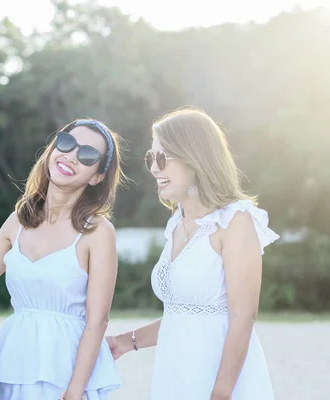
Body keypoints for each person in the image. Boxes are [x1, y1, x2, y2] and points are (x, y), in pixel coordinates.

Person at [106, 107, 279, 400]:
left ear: (194, 158)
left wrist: (221, 392)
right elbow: (184, 316)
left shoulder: (235, 221)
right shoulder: (176, 223)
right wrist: (127, 341)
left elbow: (243, 317)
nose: (153, 168)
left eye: (161, 158)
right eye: (151, 158)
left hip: (219, 378)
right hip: (175, 373)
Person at [0, 119, 125, 400]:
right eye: (67, 143)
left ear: (97, 177)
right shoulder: (18, 221)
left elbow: (98, 321)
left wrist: (76, 389)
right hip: (13, 363)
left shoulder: (98, 232)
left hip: (66, 372)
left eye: (87, 155)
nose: (71, 156)